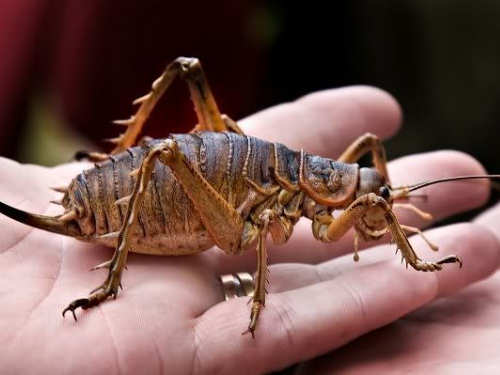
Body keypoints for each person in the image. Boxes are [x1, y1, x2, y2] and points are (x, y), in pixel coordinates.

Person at [1, 86, 498, 374]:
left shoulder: (324, 180)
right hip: (155, 193)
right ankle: (110, 283)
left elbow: (368, 159)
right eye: (374, 198)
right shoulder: (322, 198)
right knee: (177, 147)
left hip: (223, 175)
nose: (376, 205)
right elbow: (260, 224)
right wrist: (260, 299)